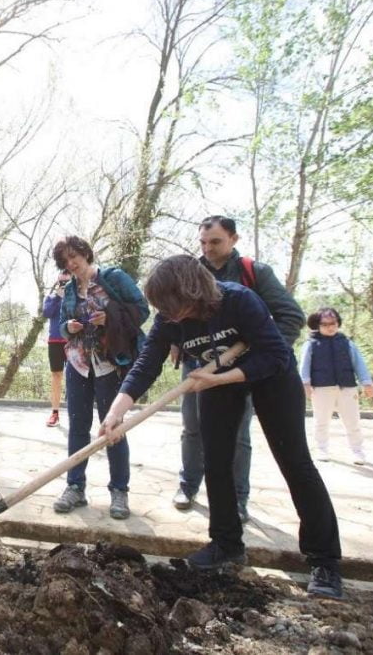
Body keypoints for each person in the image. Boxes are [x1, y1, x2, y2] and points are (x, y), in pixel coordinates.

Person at [101, 255, 344, 599]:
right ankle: (226, 544)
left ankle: (325, 562)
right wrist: (116, 412)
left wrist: (220, 376)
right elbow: (147, 363)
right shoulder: (170, 319)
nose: (169, 315)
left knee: (295, 463)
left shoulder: (239, 300)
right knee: (216, 461)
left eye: (173, 306)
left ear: (192, 292)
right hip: (215, 380)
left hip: (271, 376)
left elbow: (274, 354)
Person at [172, 215, 306, 524]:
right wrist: (177, 340)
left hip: (241, 370)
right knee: (192, 427)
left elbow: (290, 316)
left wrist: (262, 351)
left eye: (215, 242)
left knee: (237, 435)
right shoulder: (192, 272)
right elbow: (177, 315)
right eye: (203, 243)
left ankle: (239, 499)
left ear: (234, 239)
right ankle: (188, 486)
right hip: (198, 365)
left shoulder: (253, 273)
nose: (207, 249)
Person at [51, 236, 148, 520]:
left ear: (85, 252)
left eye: (74, 256)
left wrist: (110, 318)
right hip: (79, 365)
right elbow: (61, 326)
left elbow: (141, 311)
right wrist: (68, 327)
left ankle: (119, 491)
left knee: (113, 428)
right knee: (78, 428)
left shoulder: (113, 277)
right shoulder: (68, 290)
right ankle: (75, 487)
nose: (71, 263)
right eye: (65, 261)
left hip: (110, 363)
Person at [300, 307, 373, 464]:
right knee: (321, 420)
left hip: (347, 387)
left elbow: (359, 364)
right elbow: (304, 365)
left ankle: (357, 451)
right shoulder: (311, 344)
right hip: (321, 388)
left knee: (352, 421)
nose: (330, 327)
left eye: (333, 323)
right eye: (325, 324)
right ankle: (322, 448)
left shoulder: (347, 343)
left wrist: (366, 383)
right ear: (317, 325)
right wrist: (305, 383)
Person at [42, 272, 70, 427]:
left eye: (67, 282)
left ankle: (76, 413)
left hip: (73, 341)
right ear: (57, 283)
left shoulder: (77, 297)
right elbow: (46, 313)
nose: (64, 286)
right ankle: (54, 413)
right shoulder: (51, 298)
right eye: (62, 283)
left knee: (77, 376)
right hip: (55, 341)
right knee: (56, 376)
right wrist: (58, 296)